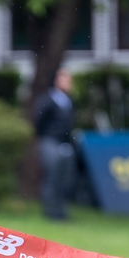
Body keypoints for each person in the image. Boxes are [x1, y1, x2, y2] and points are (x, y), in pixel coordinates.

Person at [34, 68, 76, 221]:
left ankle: (62, 211)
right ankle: (50, 211)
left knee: (65, 179)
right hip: (50, 142)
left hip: (65, 144)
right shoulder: (47, 99)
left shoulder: (70, 100)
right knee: (52, 178)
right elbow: (38, 122)